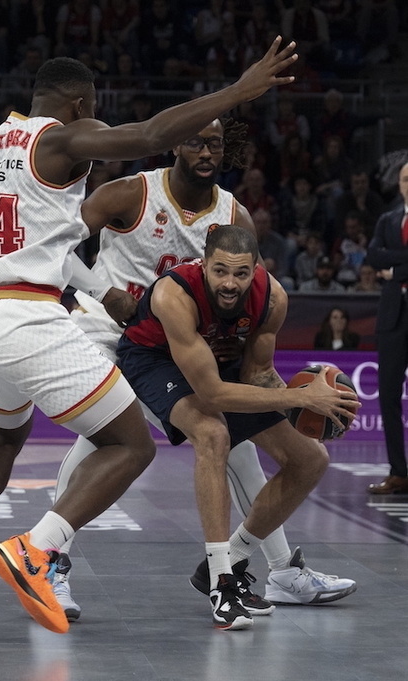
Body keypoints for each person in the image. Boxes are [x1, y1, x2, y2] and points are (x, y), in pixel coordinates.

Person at [0, 42, 300, 632]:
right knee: (132, 445)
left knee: (3, 439)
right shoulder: (61, 139)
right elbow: (149, 134)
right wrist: (239, 91)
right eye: (93, 108)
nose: (96, 119)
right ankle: (39, 550)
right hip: (28, 315)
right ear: (79, 104)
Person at [51, 119, 357, 622]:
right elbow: (51, 243)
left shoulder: (234, 215)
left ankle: (275, 569)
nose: (206, 151)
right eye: (195, 140)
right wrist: (103, 292)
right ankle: (51, 561)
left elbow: (250, 305)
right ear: (176, 143)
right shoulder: (131, 192)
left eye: (215, 143)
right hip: (113, 331)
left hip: (187, 342)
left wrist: (281, 390)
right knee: (107, 435)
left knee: (238, 446)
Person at [115, 225, 359, 629]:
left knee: (310, 459)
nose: (230, 283)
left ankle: (235, 556)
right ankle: (222, 582)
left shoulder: (273, 298)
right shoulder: (172, 294)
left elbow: (257, 374)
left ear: (256, 269)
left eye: (241, 273)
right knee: (213, 434)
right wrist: (300, 398)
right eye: (221, 271)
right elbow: (212, 395)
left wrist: (321, 408)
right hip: (152, 361)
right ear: (204, 265)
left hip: (211, 359)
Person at [367, 161, 408, 495]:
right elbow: (374, 256)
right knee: (389, 395)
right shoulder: (387, 220)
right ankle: (399, 473)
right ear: (400, 183)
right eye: (406, 179)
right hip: (393, 318)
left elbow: (385, 261)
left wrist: (395, 271)